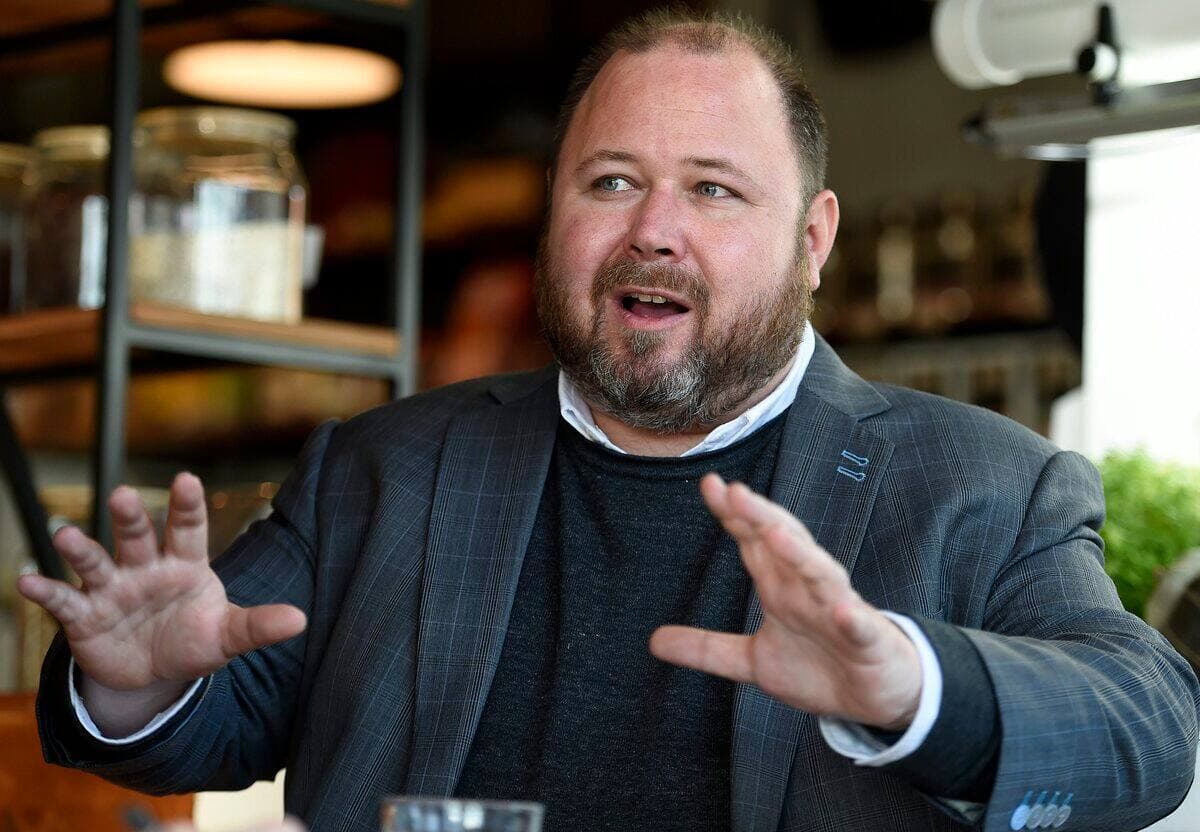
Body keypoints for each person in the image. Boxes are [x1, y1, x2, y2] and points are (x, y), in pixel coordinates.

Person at [20, 9, 1199, 832]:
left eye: (714, 189)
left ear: (815, 238)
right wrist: (135, 686)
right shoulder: (385, 469)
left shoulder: (985, 483)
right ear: (555, 220)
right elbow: (208, 722)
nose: (654, 230)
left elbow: (1147, 731)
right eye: (611, 180)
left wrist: (912, 688)